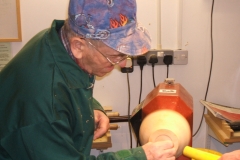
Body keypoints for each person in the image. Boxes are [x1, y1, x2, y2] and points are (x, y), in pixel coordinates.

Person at [0, 0, 176, 159]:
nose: (123, 64)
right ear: (78, 46)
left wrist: (90, 107)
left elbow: (69, 82)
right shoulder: (44, 106)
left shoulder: (58, 42)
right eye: (115, 56)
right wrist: (142, 156)